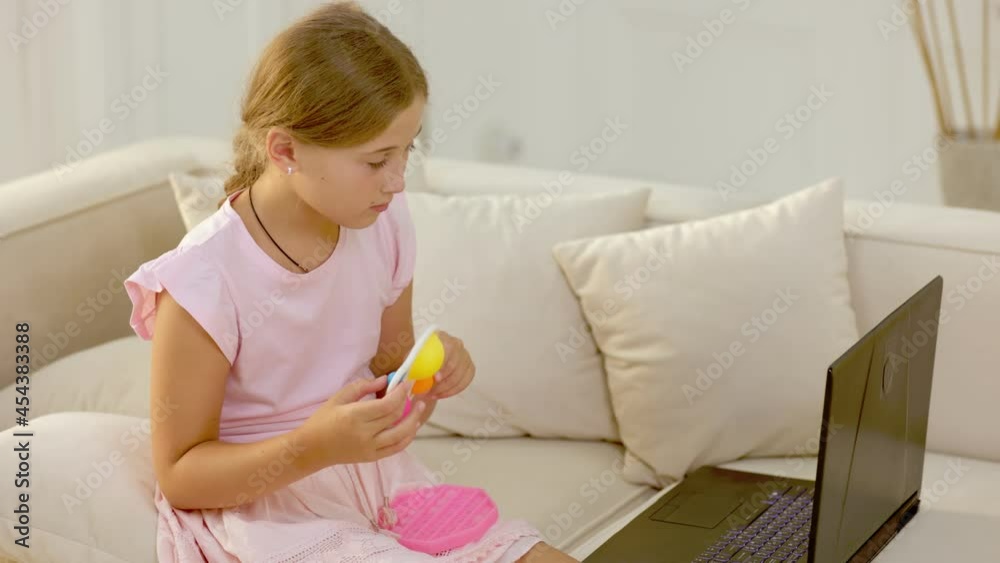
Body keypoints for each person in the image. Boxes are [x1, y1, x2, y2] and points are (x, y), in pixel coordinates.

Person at [123, 2, 578, 561]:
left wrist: (426, 375)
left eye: (407, 150)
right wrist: (314, 447)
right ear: (285, 150)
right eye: (377, 160)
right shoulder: (202, 279)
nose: (398, 181)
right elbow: (180, 476)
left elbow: (390, 373)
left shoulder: (383, 223)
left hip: (376, 481)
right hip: (265, 507)